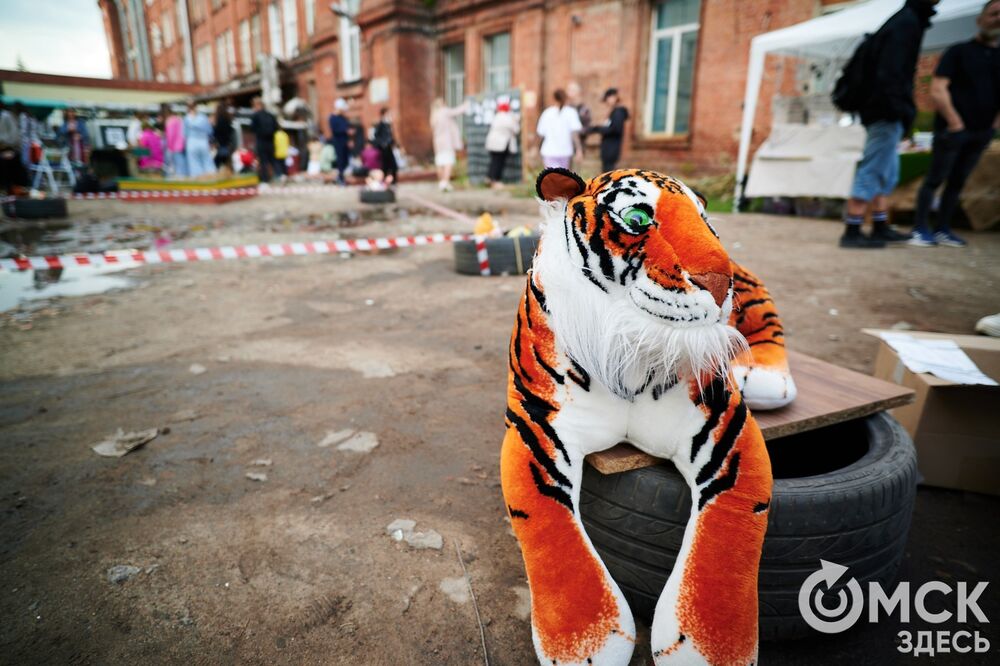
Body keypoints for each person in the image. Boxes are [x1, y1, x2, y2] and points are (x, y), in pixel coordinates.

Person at [840, 0, 941, 249]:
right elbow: (891, 74)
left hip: (886, 109)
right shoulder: (905, 24)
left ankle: (879, 225)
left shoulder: (907, 20)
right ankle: (852, 229)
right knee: (874, 167)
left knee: (886, 170)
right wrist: (900, 109)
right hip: (885, 110)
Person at [911, 0, 1000, 247]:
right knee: (935, 179)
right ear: (980, 19)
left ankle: (942, 228)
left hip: (982, 131)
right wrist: (955, 123)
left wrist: (993, 126)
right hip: (953, 130)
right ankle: (920, 228)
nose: (997, 18)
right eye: (993, 13)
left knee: (958, 181)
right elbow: (938, 88)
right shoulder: (959, 52)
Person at [536, 89, 583, 170]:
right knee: (563, 179)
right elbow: (575, 134)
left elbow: (540, 134)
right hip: (565, 151)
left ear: (553, 98)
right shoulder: (571, 112)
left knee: (551, 178)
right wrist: (579, 149)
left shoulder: (547, 113)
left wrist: (536, 148)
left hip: (549, 151)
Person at [430, 97, 468, 191]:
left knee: (440, 162)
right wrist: (466, 104)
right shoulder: (444, 111)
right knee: (448, 162)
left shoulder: (434, 115)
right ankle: (445, 182)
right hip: (447, 142)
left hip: (438, 142)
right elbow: (456, 111)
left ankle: (441, 182)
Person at [590, 88, 630, 172]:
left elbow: (616, 129)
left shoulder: (618, 112)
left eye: (607, 99)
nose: (607, 102)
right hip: (608, 149)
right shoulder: (614, 112)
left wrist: (599, 129)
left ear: (614, 97)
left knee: (609, 172)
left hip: (611, 149)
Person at [484, 100, 519, 189]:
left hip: (492, 143)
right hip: (501, 145)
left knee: (494, 161)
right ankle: (495, 181)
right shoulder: (508, 117)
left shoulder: (496, 116)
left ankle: (489, 177)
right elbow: (516, 130)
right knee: (499, 163)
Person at [250, 96, 280, 183]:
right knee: (273, 160)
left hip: (261, 141)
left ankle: (265, 179)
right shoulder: (270, 115)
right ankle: (278, 176)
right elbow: (276, 127)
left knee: (263, 161)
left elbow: (252, 128)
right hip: (271, 141)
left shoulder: (255, 115)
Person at [0, 101, 27, 193]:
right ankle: (8, 188)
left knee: (13, 168)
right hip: (7, 147)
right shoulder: (6, 116)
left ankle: (13, 189)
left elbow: (16, 135)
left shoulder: (11, 117)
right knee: (8, 168)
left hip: (13, 148)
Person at [183, 102, 214, 177]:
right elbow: (209, 131)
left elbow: (184, 133)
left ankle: (198, 182)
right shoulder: (203, 117)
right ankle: (211, 179)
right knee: (207, 162)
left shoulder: (186, 118)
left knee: (194, 164)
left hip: (191, 142)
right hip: (203, 141)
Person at [372, 107, 398, 184]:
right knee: (385, 165)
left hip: (389, 147)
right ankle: (385, 181)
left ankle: (393, 180)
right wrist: (382, 143)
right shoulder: (381, 124)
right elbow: (376, 135)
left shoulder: (388, 124)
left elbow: (390, 136)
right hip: (384, 149)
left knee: (393, 165)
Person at [328, 98, 351, 185]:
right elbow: (335, 130)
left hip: (345, 141)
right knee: (340, 160)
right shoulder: (332, 118)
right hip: (338, 142)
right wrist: (345, 131)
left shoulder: (343, 118)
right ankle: (341, 178)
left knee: (346, 160)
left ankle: (340, 176)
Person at [212, 102, 235, 174]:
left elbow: (216, 133)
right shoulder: (228, 120)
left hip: (221, 144)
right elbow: (231, 131)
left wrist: (215, 141)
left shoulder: (219, 121)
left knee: (216, 163)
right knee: (227, 162)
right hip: (228, 144)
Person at [163, 104, 186, 176]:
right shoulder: (179, 119)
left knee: (172, 167)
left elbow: (170, 136)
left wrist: (169, 147)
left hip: (173, 147)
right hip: (181, 145)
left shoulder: (169, 121)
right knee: (181, 166)